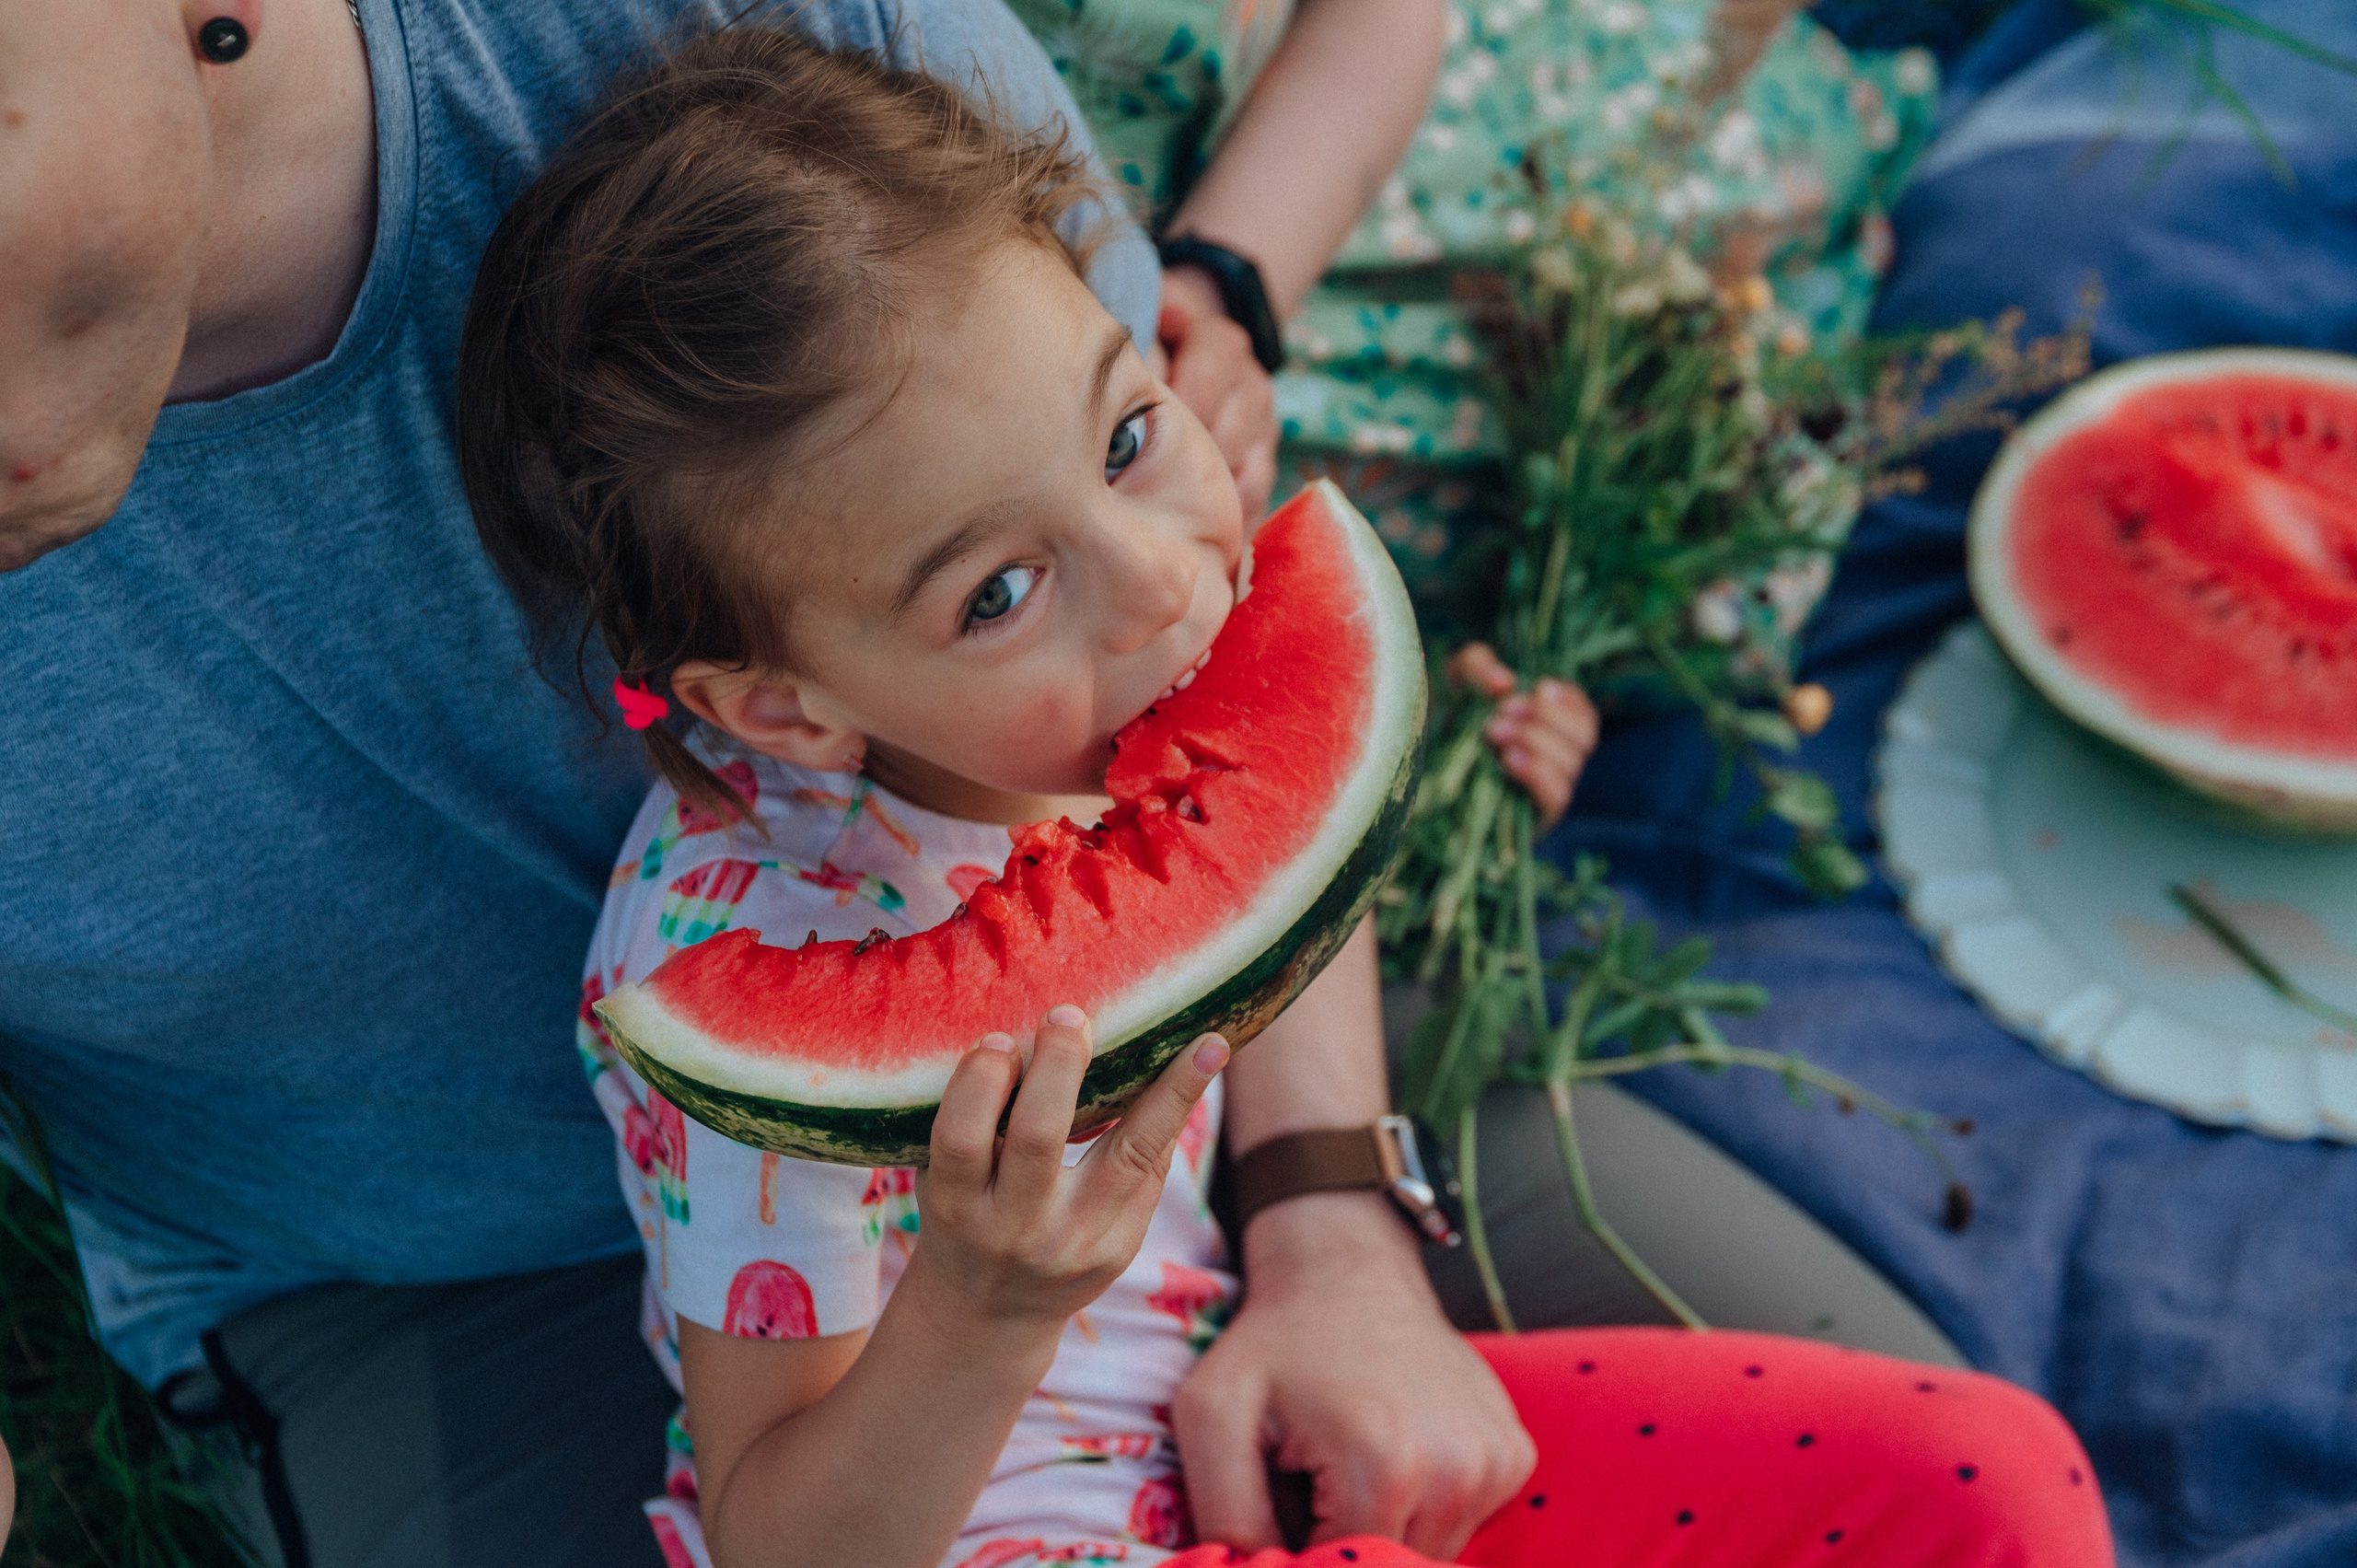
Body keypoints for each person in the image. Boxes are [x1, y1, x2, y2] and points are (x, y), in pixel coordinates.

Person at [451, 29, 2113, 1568]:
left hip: (1259, 1441)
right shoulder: (741, 981)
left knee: (1985, 1486)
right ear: (780, 706)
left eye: (1121, 439)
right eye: (996, 593)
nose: (1166, 583)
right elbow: (779, 1541)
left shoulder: (1122, 699)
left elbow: (1262, 860)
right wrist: (980, 1302)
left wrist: (1442, 775)